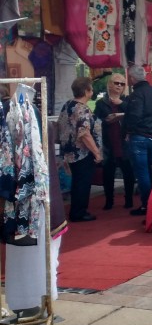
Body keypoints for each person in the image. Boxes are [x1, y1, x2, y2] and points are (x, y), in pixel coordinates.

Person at [57, 77, 103, 222]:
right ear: (86, 91)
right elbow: (84, 133)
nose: (92, 91)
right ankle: (79, 212)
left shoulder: (67, 105)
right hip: (81, 152)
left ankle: (76, 210)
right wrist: (96, 152)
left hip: (69, 151)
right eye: (91, 88)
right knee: (82, 182)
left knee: (77, 181)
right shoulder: (81, 108)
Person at [124, 65, 152, 217]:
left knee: (142, 173)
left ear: (133, 79)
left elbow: (135, 115)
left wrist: (128, 130)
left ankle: (147, 205)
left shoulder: (137, 95)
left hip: (140, 137)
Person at [93, 73, 135, 210]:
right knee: (108, 174)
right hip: (108, 142)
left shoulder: (128, 101)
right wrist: (106, 120)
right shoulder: (101, 103)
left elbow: (135, 117)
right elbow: (95, 122)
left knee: (128, 173)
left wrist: (122, 105)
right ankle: (109, 201)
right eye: (116, 83)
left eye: (122, 84)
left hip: (124, 142)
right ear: (110, 85)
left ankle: (129, 200)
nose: (119, 86)